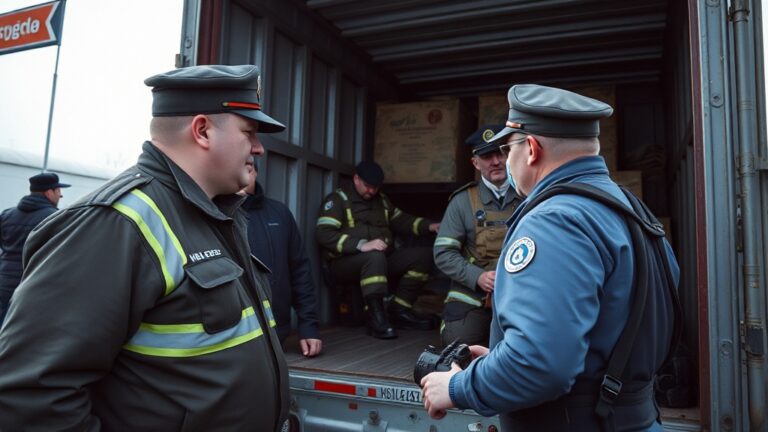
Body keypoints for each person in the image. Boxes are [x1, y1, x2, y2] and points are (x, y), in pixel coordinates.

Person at [0, 65, 290, 431]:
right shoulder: (115, 223)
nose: (259, 147)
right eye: (249, 132)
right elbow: (31, 396)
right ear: (202, 131)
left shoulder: (217, 215)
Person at [421, 84, 679, 431]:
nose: (504, 160)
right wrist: (498, 361)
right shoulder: (630, 208)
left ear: (531, 149)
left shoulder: (554, 220)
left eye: (507, 148)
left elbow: (539, 365)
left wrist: (455, 387)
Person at [316, 160, 440, 339]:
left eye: (375, 187)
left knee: (423, 256)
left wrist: (430, 226)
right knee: (374, 256)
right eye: (367, 186)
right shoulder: (337, 200)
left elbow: (401, 220)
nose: (371, 191)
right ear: (356, 179)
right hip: (343, 264)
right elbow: (323, 234)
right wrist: (361, 245)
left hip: (380, 260)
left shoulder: (381, 200)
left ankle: (399, 311)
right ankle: (376, 318)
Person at [433, 125, 524, 347]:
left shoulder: (529, 195)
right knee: (458, 344)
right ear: (475, 162)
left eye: (500, 152)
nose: (495, 161)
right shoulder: (462, 201)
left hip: (521, 290)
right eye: (487, 156)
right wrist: (478, 277)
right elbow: (443, 253)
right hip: (473, 293)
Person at [242, 163, 322, 357]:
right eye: (237, 167)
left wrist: (308, 327)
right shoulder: (211, 212)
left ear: (257, 172)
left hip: (276, 334)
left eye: (249, 169)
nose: (244, 176)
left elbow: (300, 271)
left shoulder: (279, 213)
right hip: (231, 338)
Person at [0, 172, 70, 324]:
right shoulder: (55, 218)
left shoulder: (7, 214)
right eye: (58, 191)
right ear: (48, 192)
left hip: (3, 281)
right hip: (31, 284)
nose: (60, 195)